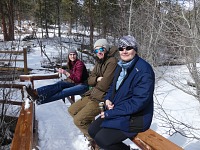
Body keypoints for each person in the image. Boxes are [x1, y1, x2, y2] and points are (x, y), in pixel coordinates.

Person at [88, 35, 155, 150]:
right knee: (92, 130)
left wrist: (111, 113)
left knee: (102, 139)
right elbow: (112, 88)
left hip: (136, 117)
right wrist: (108, 99)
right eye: (121, 48)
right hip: (119, 111)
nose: (124, 51)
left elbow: (139, 102)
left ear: (135, 49)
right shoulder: (121, 66)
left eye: (128, 48)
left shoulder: (144, 71)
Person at [68, 39, 118, 144]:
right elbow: (89, 80)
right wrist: (97, 79)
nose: (98, 52)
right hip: (92, 94)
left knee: (78, 120)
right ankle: (92, 132)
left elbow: (104, 85)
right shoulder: (99, 62)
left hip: (101, 98)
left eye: (101, 49)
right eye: (96, 50)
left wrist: (97, 80)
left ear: (106, 49)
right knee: (72, 110)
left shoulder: (112, 62)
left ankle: (97, 141)